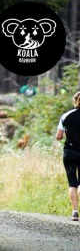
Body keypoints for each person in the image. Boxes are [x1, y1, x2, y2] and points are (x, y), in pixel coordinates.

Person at [56, 91, 80, 221]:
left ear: (75, 101)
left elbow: (58, 137)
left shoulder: (65, 116)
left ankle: (75, 213)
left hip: (69, 152)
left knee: (72, 183)